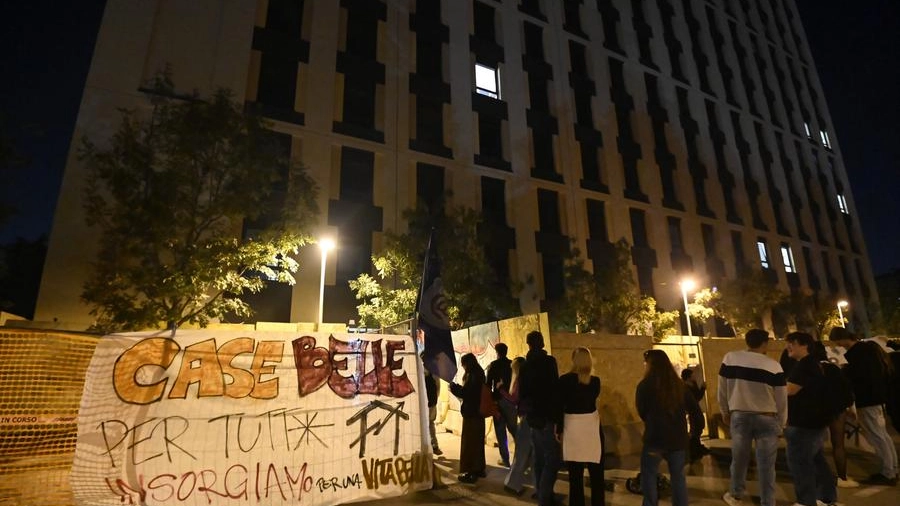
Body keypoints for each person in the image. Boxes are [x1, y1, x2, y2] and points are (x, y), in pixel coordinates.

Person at [717, 328, 787, 506]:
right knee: (767, 465)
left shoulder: (730, 358)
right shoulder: (774, 365)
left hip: (740, 416)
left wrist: (725, 411)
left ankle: (736, 495)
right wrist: (782, 422)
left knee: (739, 459)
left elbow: (722, 390)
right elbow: (781, 398)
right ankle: (768, 502)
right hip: (767, 417)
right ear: (765, 343)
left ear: (747, 341)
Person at [829, 327, 898, 486]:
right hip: (877, 399)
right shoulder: (869, 350)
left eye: (837, 341)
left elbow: (858, 378)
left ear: (843, 338)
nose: (838, 345)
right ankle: (891, 469)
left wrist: (845, 372)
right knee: (882, 435)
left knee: (877, 436)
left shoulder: (858, 354)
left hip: (867, 400)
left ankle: (888, 473)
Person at [636, 349, 703, 506]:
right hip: (678, 439)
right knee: (678, 477)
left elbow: (642, 410)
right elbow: (695, 411)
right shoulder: (680, 386)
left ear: (650, 365)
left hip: (655, 438)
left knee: (649, 476)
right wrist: (695, 432)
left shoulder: (644, 385)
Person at [783, 332, 839, 506]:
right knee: (816, 460)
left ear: (804, 344)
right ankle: (827, 497)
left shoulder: (804, 365)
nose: (788, 347)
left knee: (800, 463)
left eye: (791, 343)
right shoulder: (814, 364)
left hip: (802, 422)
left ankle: (806, 501)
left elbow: (790, 390)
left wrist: (774, 388)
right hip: (815, 421)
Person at [557, 347, 605, 506]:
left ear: (573, 360)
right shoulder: (595, 382)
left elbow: (559, 406)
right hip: (591, 428)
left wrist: (558, 429)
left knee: (575, 475)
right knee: (596, 474)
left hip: (572, 428)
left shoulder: (564, 381)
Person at [518, 330, 561, 506]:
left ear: (528, 344)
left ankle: (540, 491)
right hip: (547, 416)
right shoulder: (549, 362)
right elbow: (555, 390)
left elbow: (524, 392)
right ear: (542, 343)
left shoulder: (525, 365)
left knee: (539, 457)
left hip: (533, 417)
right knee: (553, 458)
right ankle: (545, 496)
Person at [810, 340, 857, 488]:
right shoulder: (834, 369)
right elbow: (846, 389)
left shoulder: (810, 368)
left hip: (817, 410)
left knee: (815, 445)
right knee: (838, 445)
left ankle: (817, 477)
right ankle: (842, 477)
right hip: (837, 410)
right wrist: (849, 407)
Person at [449, 353, 487, 483]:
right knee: (477, 443)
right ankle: (479, 468)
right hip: (477, 413)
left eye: (464, 365)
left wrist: (454, 388)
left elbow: (468, 393)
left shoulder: (473, 375)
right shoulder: (479, 372)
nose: (463, 368)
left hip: (472, 413)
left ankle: (472, 472)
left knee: (470, 444)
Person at [503, 356, 532, 496]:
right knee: (524, 453)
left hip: (525, 418)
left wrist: (500, 390)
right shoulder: (528, 379)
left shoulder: (519, 380)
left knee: (522, 453)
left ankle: (512, 483)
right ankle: (512, 484)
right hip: (529, 418)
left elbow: (514, 398)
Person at [487, 342, 517, 467]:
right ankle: (522, 457)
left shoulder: (493, 366)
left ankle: (505, 459)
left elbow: (488, 384)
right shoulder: (512, 365)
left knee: (500, 431)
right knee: (514, 430)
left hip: (498, 401)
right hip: (511, 401)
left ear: (497, 352)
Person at [681, 367, 709, 460]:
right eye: (692, 375)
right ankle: (694, 449)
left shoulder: (693, 384)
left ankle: (697, 447)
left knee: (699, 426)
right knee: (695, 428)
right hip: (692, 410)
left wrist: (702, 388)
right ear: (688, 377)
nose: (694, 376)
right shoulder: (684, 387)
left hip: (696, 408)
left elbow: (698, 397)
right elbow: (693, 398)